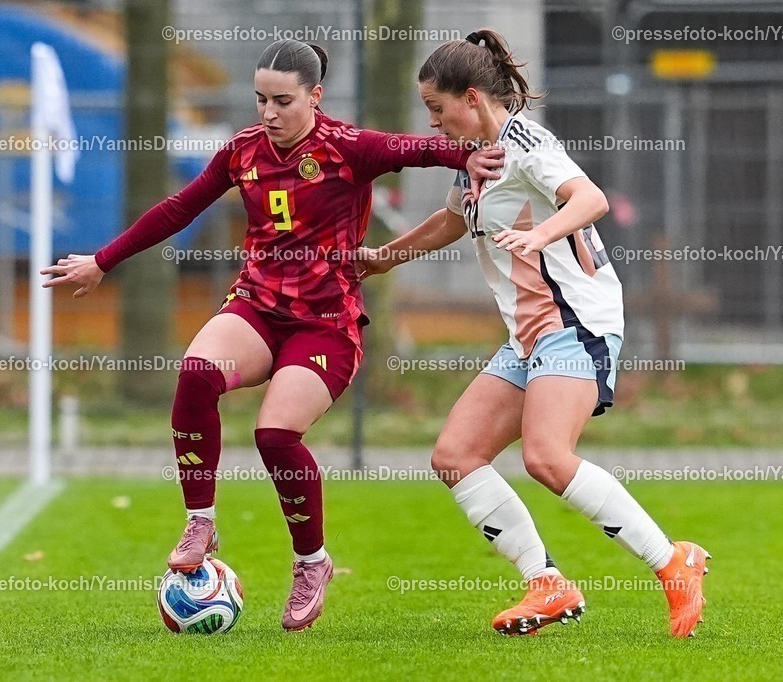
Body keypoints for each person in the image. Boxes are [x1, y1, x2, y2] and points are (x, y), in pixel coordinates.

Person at [41, 38, 503, 632]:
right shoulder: (241, 153)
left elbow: (415, 147)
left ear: (314, 96)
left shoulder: (347, 148)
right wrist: (104, 261)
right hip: (258, 308)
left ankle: (312, 562)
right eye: (260, 99)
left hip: (326, 323)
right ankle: (201, 520)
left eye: (282, 100)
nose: (268, 113)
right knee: (197, 373)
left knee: (275, 434)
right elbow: (180, 208)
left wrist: (463, 158)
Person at [359, 29, 709, 637]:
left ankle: (673, 562)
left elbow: (589, 198)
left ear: (472, 98)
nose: (434, 125)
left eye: (438, 111)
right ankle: (547, 583)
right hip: (529, 334)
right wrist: (386, 257)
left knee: (547, 457)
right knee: (456, 457)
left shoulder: (526, 143)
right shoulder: (476, 158)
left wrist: (541, 235)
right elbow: (451, 220)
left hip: (577, 322)